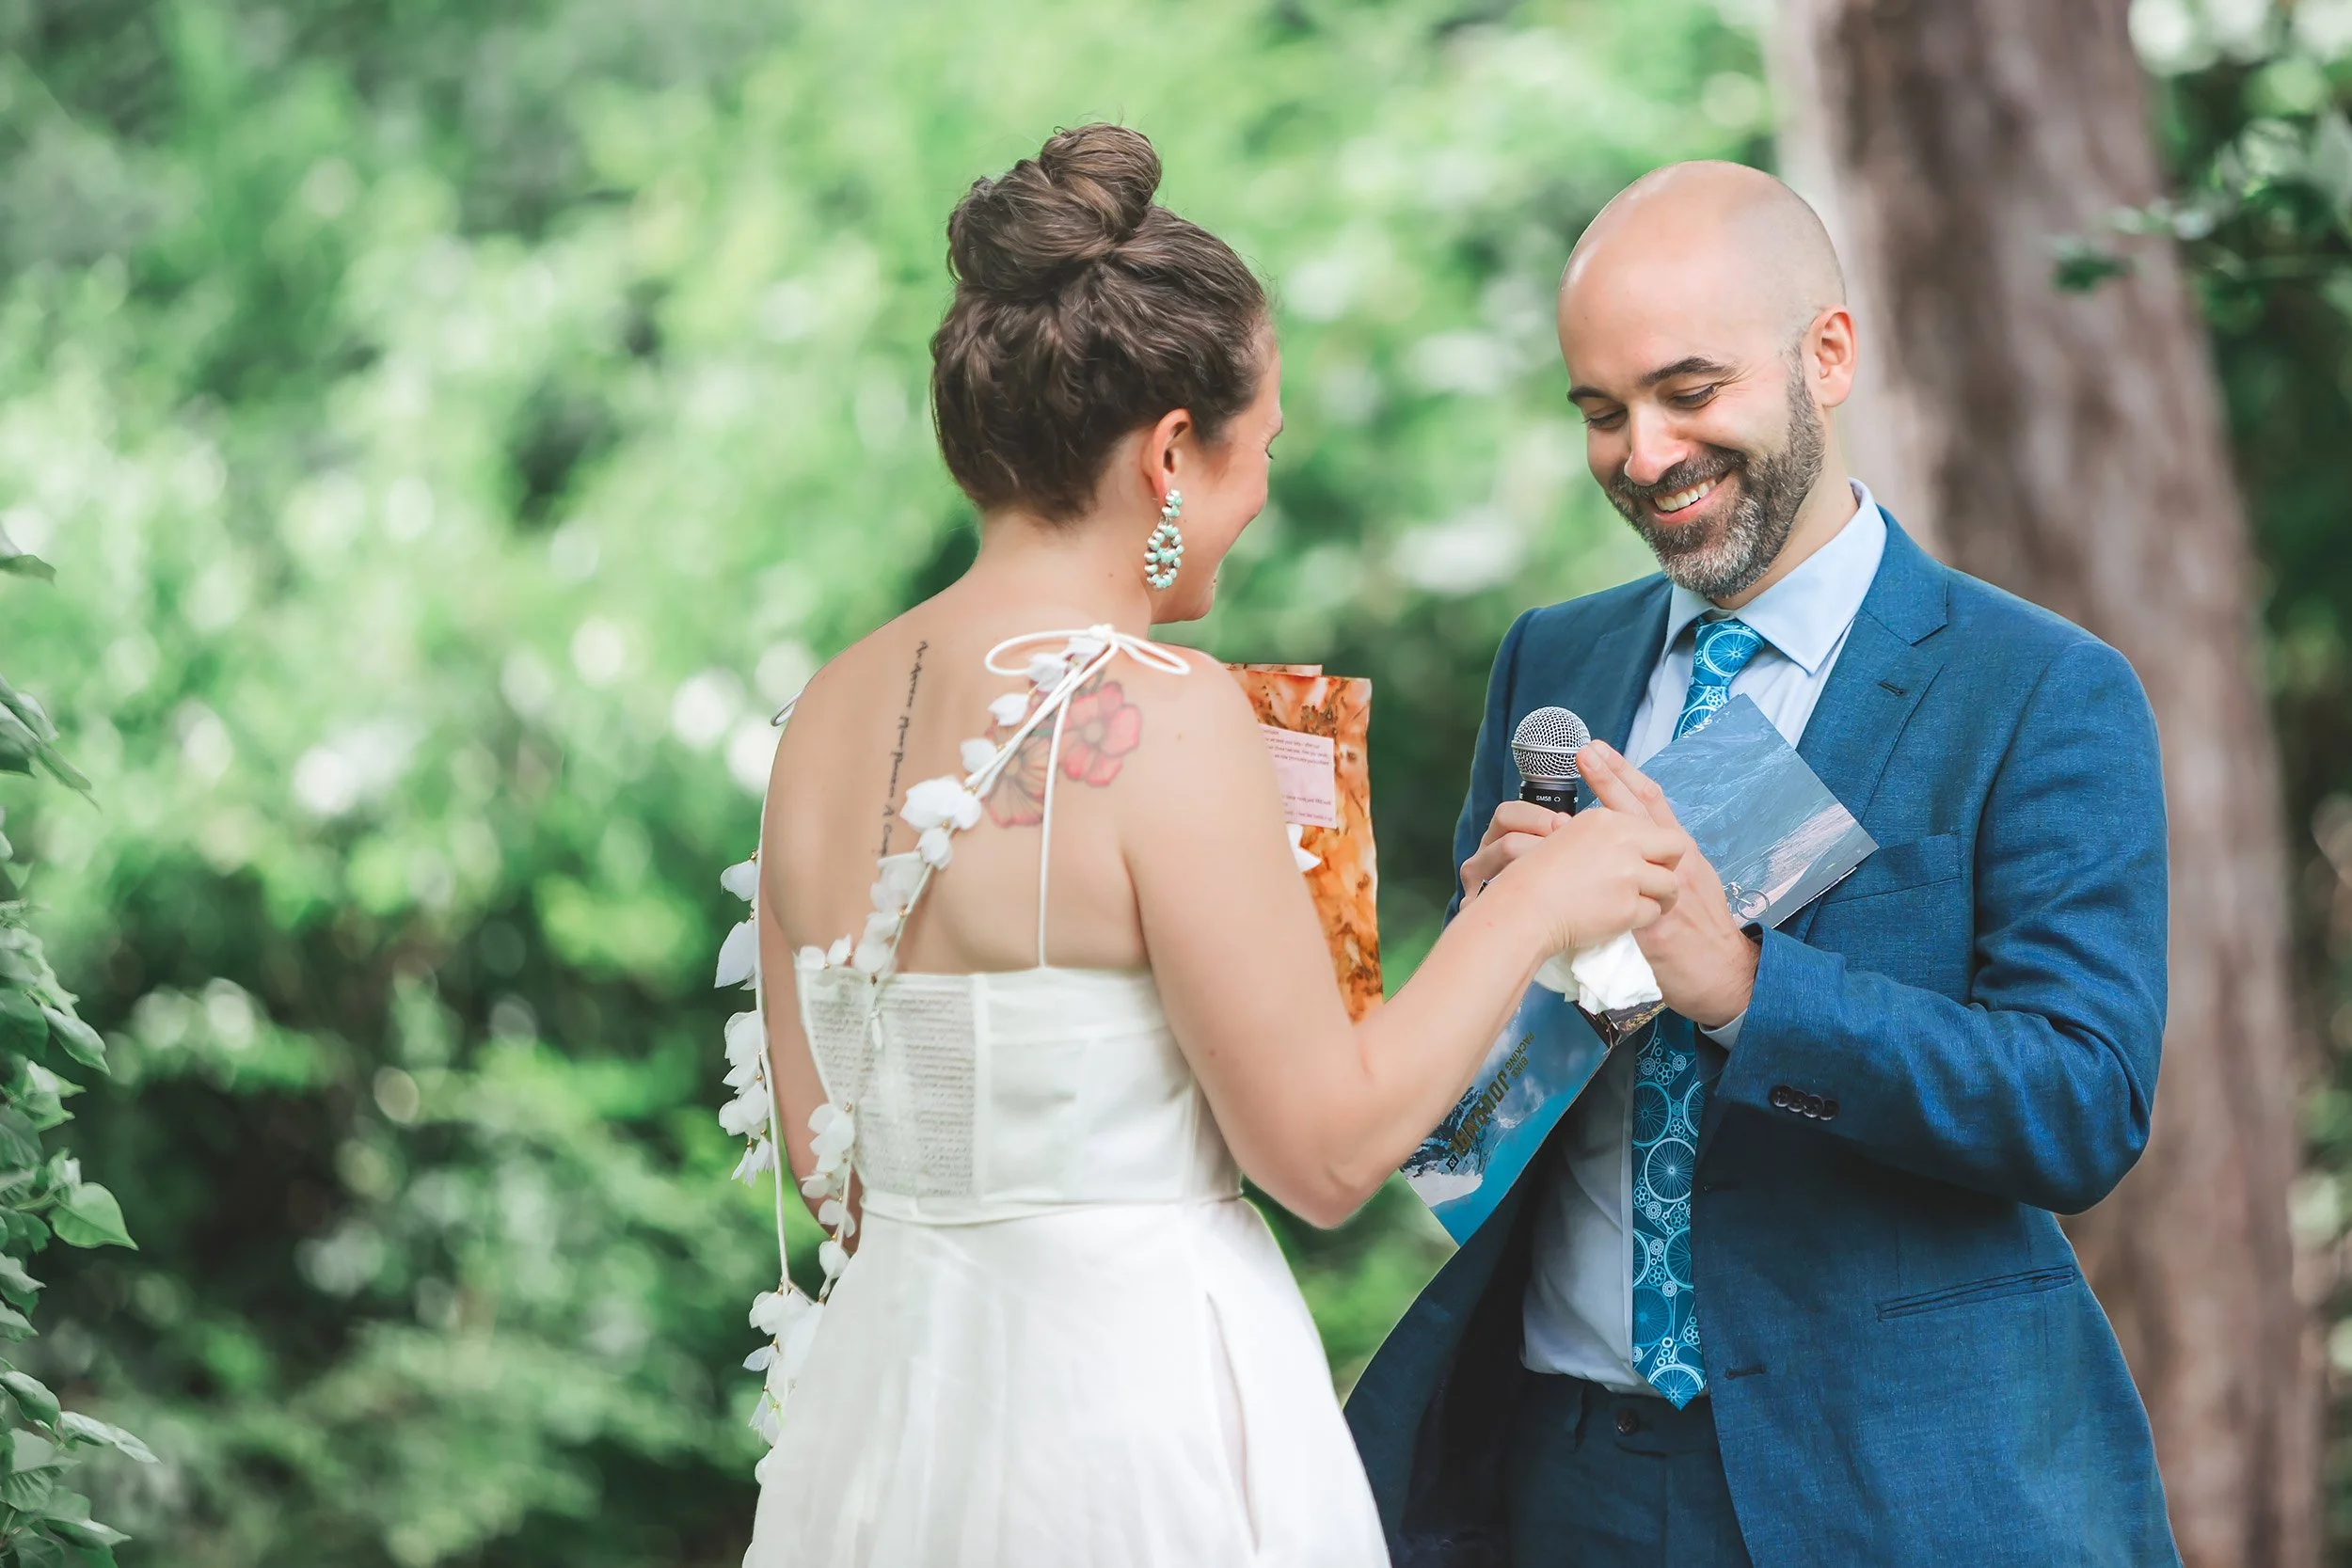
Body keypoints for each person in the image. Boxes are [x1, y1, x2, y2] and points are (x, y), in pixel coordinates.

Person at [738, 124, 1686, 1568]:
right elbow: (1319, 1152)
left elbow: (838, 1172)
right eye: (1261, 451)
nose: (1259, 499)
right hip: (1121, 1427)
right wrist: (1537, 906)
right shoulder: (1161, 715)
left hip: (891, 1422)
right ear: (1174, 449)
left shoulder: (824, 715)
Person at [1344, 162, 2180, 1566]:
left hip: (1892, 1483)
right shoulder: (1551, 663)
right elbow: (1468, 1138)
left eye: (1689, 391)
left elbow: (2082, 1107)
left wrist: (1738, 985)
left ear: (1828, 355)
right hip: (1560, 1476)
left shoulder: (2039, 689)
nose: (1645, 453)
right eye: (1601, 412)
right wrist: (1495, 964)